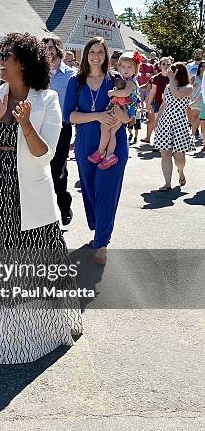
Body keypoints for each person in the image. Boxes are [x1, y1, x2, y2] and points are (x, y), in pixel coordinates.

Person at [0, 32, 83, 365]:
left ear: (23, 62)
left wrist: (25, 124)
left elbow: (45, 154)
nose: (0, 60)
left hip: (31, 195)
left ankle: (45, 329)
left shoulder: (47, 99)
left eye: (5, 55)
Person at [63, 36, 130, 265]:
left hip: (115, 143)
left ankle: (102, 243)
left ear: (106, 55)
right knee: (90, 190)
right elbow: (68, 115)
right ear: (85, 55)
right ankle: (98, 230)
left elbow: (130, 113)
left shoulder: (116, 81)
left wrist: (122, 116)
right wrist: (97, 116)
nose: (96, 56)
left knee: (106, 191)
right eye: (92, 51)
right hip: (85, 143)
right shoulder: (76, 81)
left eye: (101, 52)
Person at [43, 34, 75, 225]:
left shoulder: (71, 75)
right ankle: (44, 215)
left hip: (62, 128)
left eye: (51, 48)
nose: (49, 52)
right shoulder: (37, 74)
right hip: (39, 127)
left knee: (57, 170)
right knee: (39, 170)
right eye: (45, 48)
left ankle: (64, 206)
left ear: (58, 50)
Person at [88, 50, 140, 165]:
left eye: (129, 67)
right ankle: (109, 155)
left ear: (135, 69)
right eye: (123, 67)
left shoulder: (131, 82)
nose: (126, 70)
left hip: (122, 110)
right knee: (111, 132)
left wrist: (112, 93)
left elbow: (126, 93)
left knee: (104, 126)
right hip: (123, 109)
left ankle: (100, 152)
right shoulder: (125, 80)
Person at [153, 62, 194, 190]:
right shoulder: (168, 86)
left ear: (179, 73)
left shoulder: (188, 87)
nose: (170, 72)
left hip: (180, 124)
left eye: (172, 71)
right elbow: (163, 104)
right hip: (165, 122)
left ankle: (180, 172)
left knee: (179, 157)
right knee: (165, 153)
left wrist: (171, 79)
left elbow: (177, 94)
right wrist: (157, 121)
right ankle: (167, 183)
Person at [141, 56, 171, 144]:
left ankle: (166, 142)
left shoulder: (173, 77)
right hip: (158, 103)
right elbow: (153, 91)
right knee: (158, 122)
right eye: (164, 64)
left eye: (168, 64)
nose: (166, 66)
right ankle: (158, 142)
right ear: (160, 65)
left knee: (168, 124)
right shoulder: (156, 78)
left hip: (170, 104)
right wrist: (149, 104)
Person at [188, 60, 204, 142]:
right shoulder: (194, 77)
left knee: (202, 119)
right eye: (201, 66)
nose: (203, 68)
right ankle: (193, 135)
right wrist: (190, 98)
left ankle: (202, 135)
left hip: (203, 100)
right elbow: (189, 88)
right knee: (194, 119)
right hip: (195, 99)